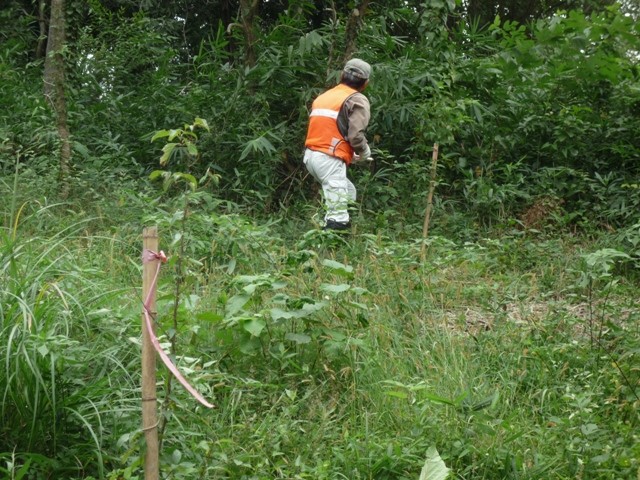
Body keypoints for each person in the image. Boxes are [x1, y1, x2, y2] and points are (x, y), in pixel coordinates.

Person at [303, 58, 373, 231]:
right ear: (365, 83)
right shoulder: (357, 99)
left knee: (348, 193)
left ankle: (337, 231)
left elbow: (329, 131)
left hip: (311, 157)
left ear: (342, 75)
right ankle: (327, 251)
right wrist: (364, 152)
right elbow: (356, 136)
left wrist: (349, 154)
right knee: (338, 213)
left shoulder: (326, 96)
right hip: (328, 159)